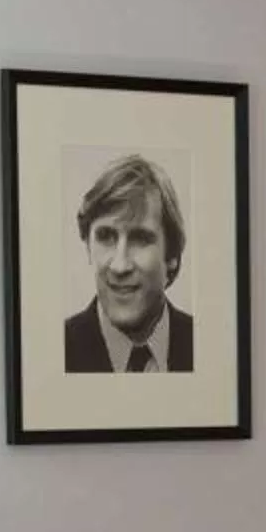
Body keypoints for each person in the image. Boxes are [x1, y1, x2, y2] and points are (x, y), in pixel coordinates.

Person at [62, 154, 195, 374]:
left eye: (140, 239)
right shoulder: (58, 350)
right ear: (87, 247)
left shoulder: (206, 344)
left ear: (172, 255)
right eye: (105, 236)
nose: (120, 266)